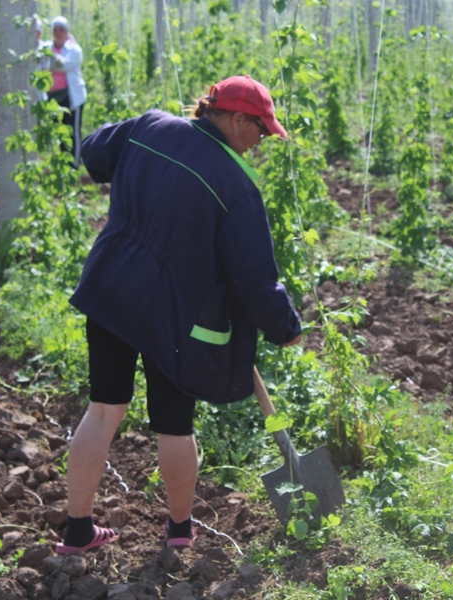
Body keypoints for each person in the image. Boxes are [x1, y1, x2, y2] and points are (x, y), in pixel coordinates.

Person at [55, 75, 301, 554]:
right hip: (170, 314)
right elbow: (254, 277)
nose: (261, 142)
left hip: (110, 288)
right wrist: (285, 329)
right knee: (174, 425)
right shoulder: (236, 185)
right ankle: (180, 532)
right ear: (236, 119)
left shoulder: (150, 126)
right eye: (261, 131)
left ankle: (77, 531)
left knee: (103, 411)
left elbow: (93, 154)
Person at [36, 15, 87, 168]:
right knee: (60, 132)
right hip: (53, 98)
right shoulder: (47, 48)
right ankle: (62, 165)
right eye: (55, 30)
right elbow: (35, 50)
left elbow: (63, 65)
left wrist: (48, 61)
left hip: (71, 97)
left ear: (67, 32)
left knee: (73, 131)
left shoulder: (74, 49)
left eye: (61, 30)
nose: (58, 33)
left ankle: (74, 164)